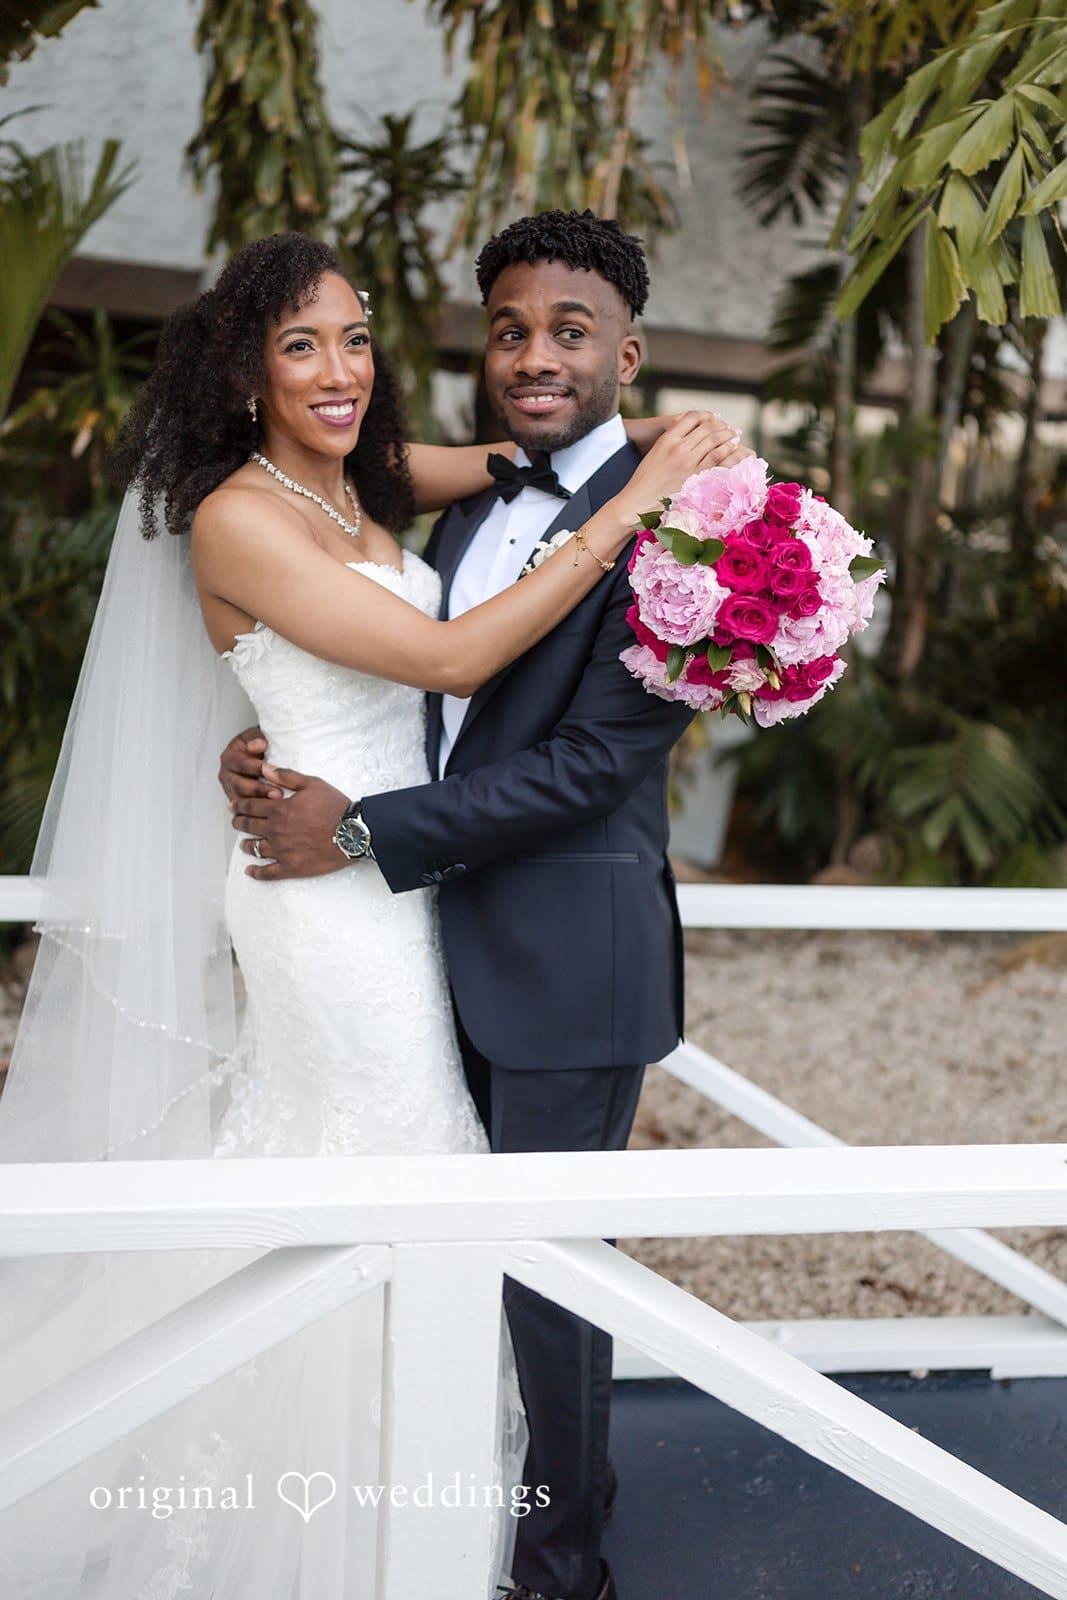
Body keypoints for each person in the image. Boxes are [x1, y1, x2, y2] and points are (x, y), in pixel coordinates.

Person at [0, 228, 745, 1599]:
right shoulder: (244, 513)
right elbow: (454, 654)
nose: (339, 367)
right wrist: (629, 502)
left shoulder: (380, 495)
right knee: (378, 1191)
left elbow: (526, 469)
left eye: (354, 336)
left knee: (494, 1244)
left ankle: (523, 1551)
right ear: (243, 373)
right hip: (335, 907)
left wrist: (644, 470)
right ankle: (336, 1531)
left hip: (446, 904)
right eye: (300, 345)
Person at [220, 210, 754, 1600]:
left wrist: (361, 829)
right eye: (510, 329)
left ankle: (560, 1566)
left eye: (571, 332)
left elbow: (588, 768)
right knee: (419, 1247)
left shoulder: (686, 527)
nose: (535, 356)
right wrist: (272, 744)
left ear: (627, 353)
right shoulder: (453, 505)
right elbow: (399, 674)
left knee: (549, 1283)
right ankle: (429, 1522)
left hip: (564, 953)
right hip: (411, 946)